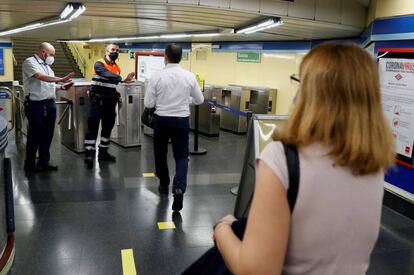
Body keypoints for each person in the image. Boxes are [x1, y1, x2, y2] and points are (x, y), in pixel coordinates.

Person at [213, 44, 396, 274]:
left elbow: (255, 270)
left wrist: (223, 229)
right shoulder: (373, 161)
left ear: (311, 92)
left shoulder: (282, 158)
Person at [144, 43, 204, 212]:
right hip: (181, 120)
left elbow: (149, 103)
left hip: (161, 120)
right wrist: (186, 100)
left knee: (160, 153)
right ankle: (178, 189)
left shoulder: (157, 76)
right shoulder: (189, 76)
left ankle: (164, 184)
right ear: (181, 57)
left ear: (165, 57)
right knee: (182, 156)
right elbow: (200, 100)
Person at [22, 42, 74, 172]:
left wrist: (62, 86)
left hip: (49, 104)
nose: (52, 57)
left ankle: (44, 161)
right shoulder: (30, 62)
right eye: (51, 54)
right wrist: (61, 79)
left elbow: (48, 84)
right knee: (35, 134)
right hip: (35, 105)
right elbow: (41, 77)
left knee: (48, 134)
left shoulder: (48, 67)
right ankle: (29, 164)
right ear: (43, 52)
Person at [84, 43, 135, 168]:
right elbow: (106, 74)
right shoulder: (99, 63)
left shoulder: (117, 67)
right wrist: (121, 79)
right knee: (93, 127)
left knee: (107, 128)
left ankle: (103, 153)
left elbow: (112, 84)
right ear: (107, 51)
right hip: (98, 102)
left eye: (117, 50)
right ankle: (89, 154)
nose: (115, 52)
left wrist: (119, 85)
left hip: (110, 103)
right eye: (113, 50)